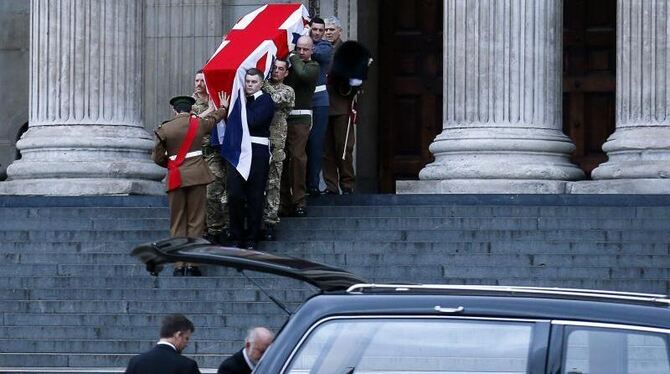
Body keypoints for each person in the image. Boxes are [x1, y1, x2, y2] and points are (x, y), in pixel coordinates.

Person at [152, 93, 228, 276]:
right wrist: (223, 108)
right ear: (191, 109)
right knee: (196, 221)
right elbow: (214, 119)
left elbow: (157, 157)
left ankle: (179, 266)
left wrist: (172, 165)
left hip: (176, 177)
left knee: (177, 221)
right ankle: (193, 264)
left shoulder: (165, 128)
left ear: (174, 110)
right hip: (197, 177)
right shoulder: (198, 123)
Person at [227, 68, 275, 250]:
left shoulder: (266, 101)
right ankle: (236, 236)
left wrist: (240, 102)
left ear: (261, 83)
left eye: (254, 82)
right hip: (239, 152)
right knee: (235, 194)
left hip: (257, 152)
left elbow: (253, 121)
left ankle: (252, 238)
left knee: (255, 195)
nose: (249, 85)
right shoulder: (240, 100)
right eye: (247, 81)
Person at [281, 35, 320, 216]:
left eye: (305, 49)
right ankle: (284, 201)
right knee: (282, 159)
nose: (302, 52)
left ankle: (299, 200)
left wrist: (292, 54)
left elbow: (303, 74)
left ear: (312, 50)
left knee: (298, 158)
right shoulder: (291, 63)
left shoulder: (313, 66)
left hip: (301, 118)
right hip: (284, 118)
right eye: (299, 48)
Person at [193, 70, 229, 245]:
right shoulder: (190, 104)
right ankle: (209, 228)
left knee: (215, 193)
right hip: (198, 157)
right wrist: (210, 110)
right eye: (197, 80)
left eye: (202, 80)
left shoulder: (218, 99)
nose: (199, 84)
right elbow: (190, 124)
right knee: (202, 196)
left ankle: (218, 228)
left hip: (215, 155)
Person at [262, 59, 295, 241]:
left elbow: (275, 99)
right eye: (273, 68)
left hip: (276, 143)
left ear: (286, 73)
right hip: (258, 139)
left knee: (273, 182)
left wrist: (262, 81)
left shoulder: (287, 91)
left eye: (280, 69)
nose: (276, 71)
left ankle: (270, 221)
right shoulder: (261, 87)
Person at [322, 16, 355, 195]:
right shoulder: (319, 49)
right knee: (325, 150)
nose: (327, 33)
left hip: (341, 104)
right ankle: (331, 185)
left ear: (339, 31)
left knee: (343, 147)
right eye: (326, 30)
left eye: (331, 30)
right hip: (322, 105)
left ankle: (347, 183)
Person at [306, 17, 333, 197]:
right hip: (302, 100)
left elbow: (320, 54)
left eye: (320, 30)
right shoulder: (304, 45)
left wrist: (301, 46)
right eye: (314, 29)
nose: (317, 33)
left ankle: (313, 185)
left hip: (320, 100)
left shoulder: (326, 46)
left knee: (316, 145)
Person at [125, 314, 200, 374]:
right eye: (186, 338)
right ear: (178, 335)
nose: (186, 344)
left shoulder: (136, 362)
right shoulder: (187, 365)